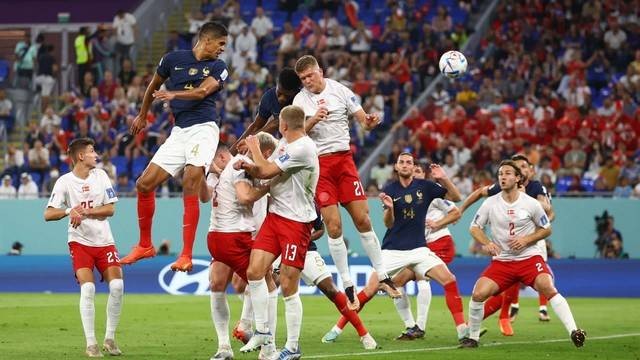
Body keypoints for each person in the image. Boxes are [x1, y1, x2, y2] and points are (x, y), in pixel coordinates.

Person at [292, 54, 400, 309]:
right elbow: (294, 134)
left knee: (363, 219)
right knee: (334, 227)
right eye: (303, 78)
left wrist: (371, 122)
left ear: (320, 70)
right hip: (319, 166)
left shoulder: (340, 90)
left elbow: (363, 120)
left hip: (344, 162)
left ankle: (383, 275)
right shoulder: (300, 101)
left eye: (310, 75)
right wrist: (314, 119)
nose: (307, 81)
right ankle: (348, 284)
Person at [120, 22, 229, 272]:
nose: (222, 49)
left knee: (191, 178)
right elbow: (153, 85)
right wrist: (142, 114)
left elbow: (203, 92)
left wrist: (174, 95)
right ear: (206, 40)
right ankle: (145, 245)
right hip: (180, 131)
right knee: (144, 184)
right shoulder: (172, 59)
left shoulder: (218, 67)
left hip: (204, 128)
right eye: (220, 43)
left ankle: (186, 254)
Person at [460, 160, 586, 349]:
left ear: (518, 178)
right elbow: (474, 227)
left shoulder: (531, 203)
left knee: (547, 286)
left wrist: (527, 239)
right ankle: (473, 338)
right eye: (501, 173)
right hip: (502, 262)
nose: (503, 177)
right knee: (478, 293)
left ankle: (574, 331)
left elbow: (546, 228)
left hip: (528, 259)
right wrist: (487, 243)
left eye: (508, 173)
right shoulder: (490, 203)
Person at [236, 105, 319, 359]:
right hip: (276, 218)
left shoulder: (303, 148)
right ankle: (262, 330)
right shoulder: (286, 142)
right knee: (254, 271)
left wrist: (253, 149)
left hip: (297, 222)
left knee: (288, 283)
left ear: (284, 125)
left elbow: (266, 170)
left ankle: (293, 346)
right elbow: (265, 169)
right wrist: (249, 167)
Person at [44, 138, 124, 357]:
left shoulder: (101, 176)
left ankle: (110, 338)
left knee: (117, 286)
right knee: (87, 288)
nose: (96, 154)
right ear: (81, 156)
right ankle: (91, 344)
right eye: (91, 151)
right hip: (80, 242)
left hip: (104, 240)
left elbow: (110, 209)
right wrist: (69, 211)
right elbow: (48, 214)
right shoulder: (64, 182)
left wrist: (85, 212)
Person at [460, 154, 555, 335]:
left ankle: (540, 308)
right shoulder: (503, 187)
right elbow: (481, 192)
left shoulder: (536, 187)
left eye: (523, 167)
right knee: (504, 286)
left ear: (528, 171)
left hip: (532, 244)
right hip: (508, 246)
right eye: (515, 167)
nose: (520, 170)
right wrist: (461, 209)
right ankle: (502, 317)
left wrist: (542, 212)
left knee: (543, 281)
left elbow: (549, 211)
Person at [203, 137, 279, 360]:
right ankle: (268, 347)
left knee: (218, 284)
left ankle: (225, 346)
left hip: (219, 234)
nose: (244, 152)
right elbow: (244, 197)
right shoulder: (240, 166)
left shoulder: (246, 167)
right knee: (266, 283)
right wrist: (267, 187)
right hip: (237, 235)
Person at [379, 153, 467, 342]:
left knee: (437, 280)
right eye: (401, 162)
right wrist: (388, 209)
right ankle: (411, 326)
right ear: (395, 166)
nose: (406, 166)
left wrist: (443, 178)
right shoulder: (391, 190)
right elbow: (388, 224)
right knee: (384, 286)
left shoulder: (428, 189)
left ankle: (461, 332)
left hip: (429, 246)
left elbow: (456, 202)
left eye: (411, 164)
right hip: (401, 250)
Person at [276, 207, 378, 350]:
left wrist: (305, 238)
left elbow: (320, 229)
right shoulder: (277, 199)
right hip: (280, 250)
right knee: (270, 287)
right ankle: (265, 339)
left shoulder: (310, 203)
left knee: (331, 289)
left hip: (307, 251)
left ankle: (364, 334)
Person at [230, 68, 302, 154]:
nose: (281, 99)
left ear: (295, 92)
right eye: (279, 93)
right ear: (277, 84)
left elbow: (275, 124)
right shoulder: (269, 97)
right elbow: (256, 126)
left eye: (286, 96)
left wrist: (248, 142)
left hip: (303, 142)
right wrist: (233, 151)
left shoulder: (301, 99)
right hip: (284, 144)